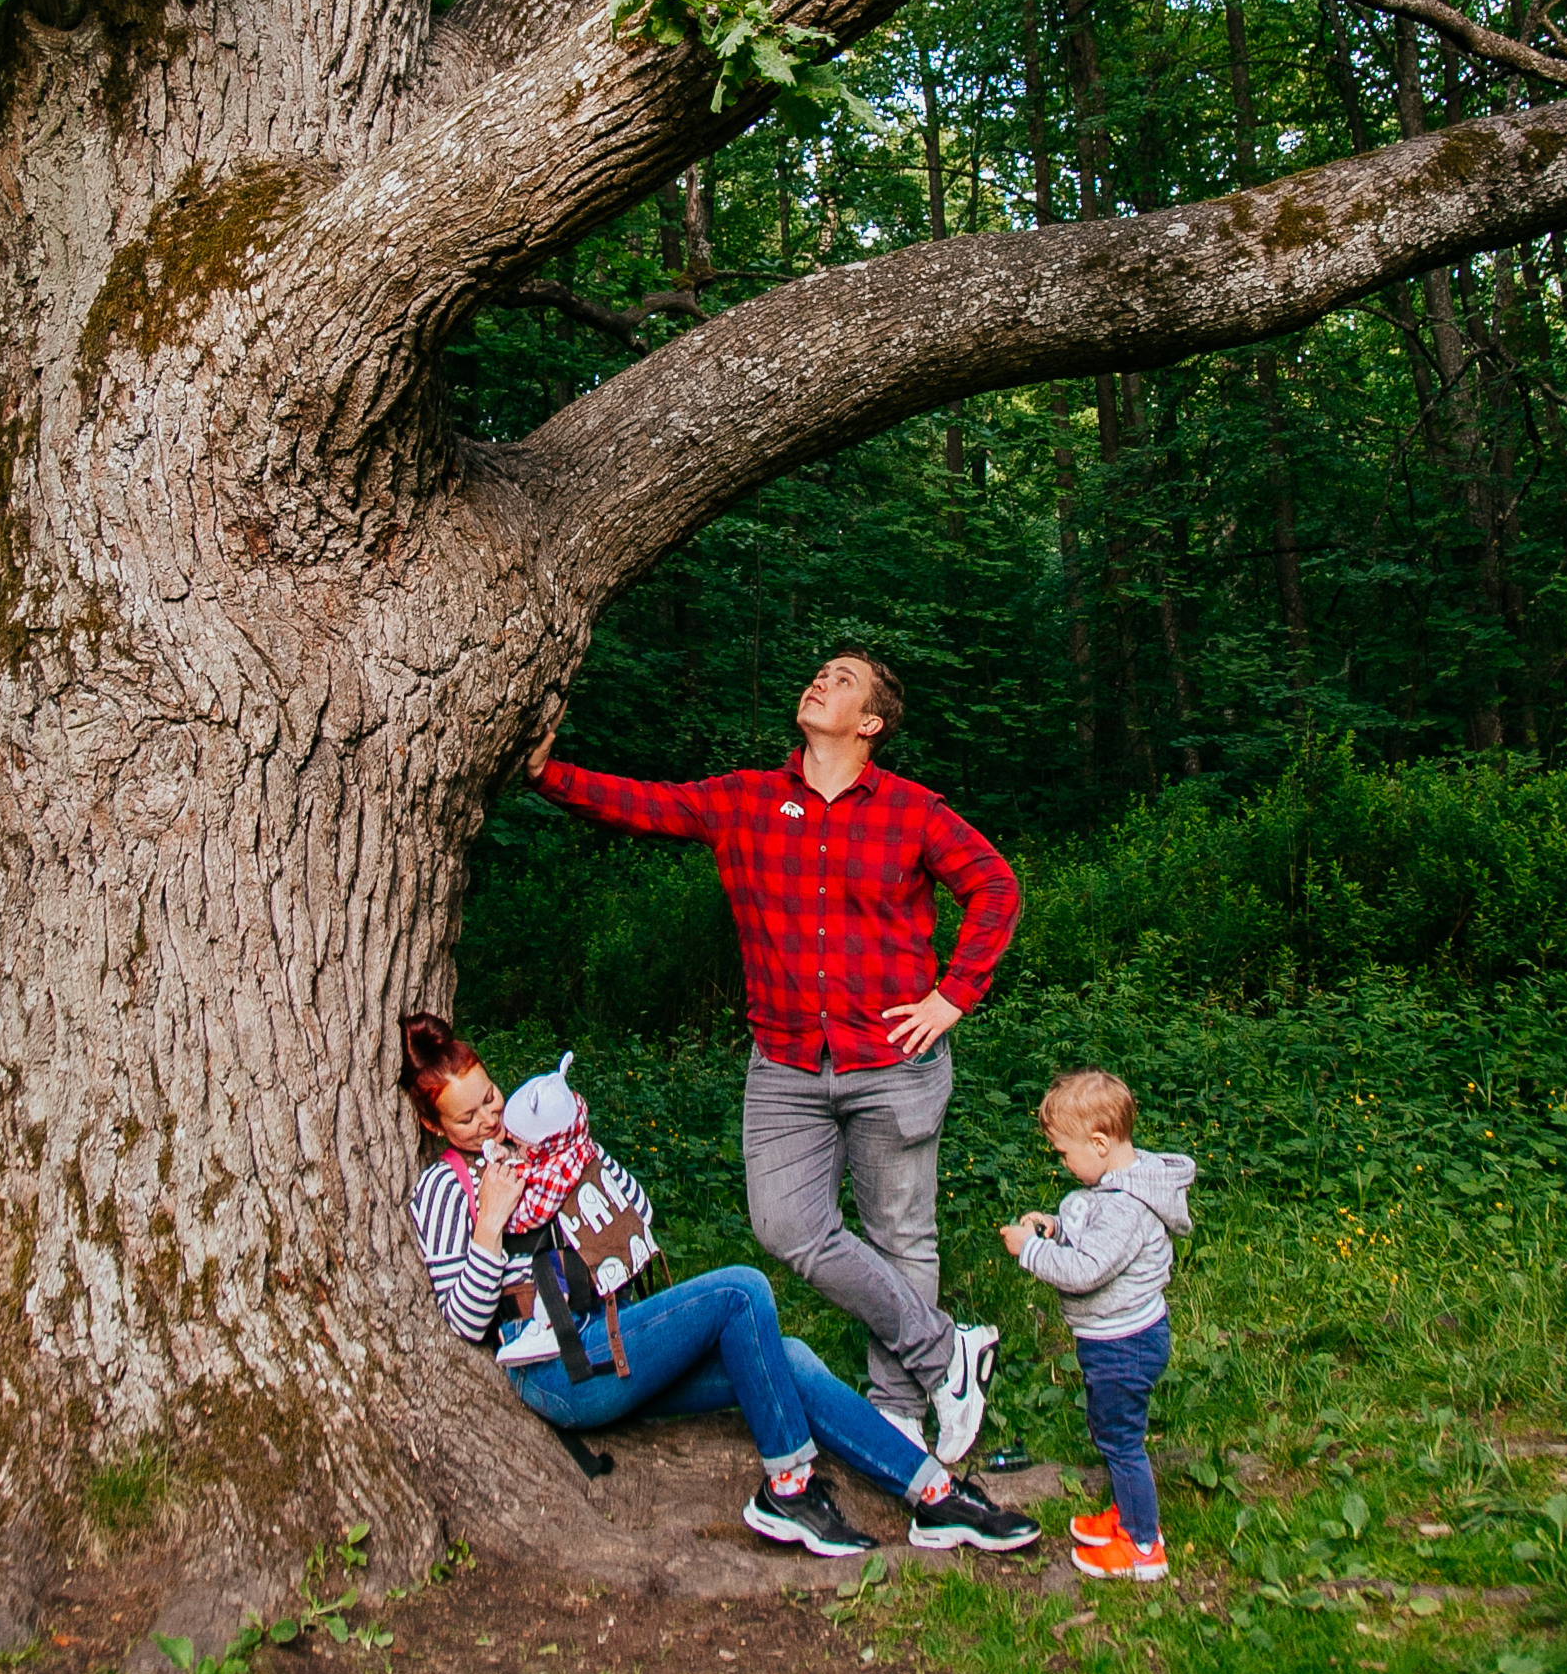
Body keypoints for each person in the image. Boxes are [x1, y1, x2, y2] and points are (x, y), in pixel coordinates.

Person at [526, 650, 1019, 1463]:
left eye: (845, 678)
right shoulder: (749, 799)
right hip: (786, 1064)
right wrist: (547, 775)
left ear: (872, 724)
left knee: (901, 1234)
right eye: (820, 670)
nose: (821, 679)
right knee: (787, 1223)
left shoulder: (912, 810)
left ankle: (897, 1411)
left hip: (891, 1057)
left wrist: (952, 995)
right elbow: (644, 805)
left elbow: (994, 887)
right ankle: (946, 1352)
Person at [402, 1013, 1038, 1556]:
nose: (489, 1121)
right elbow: (463, 1321)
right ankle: (788, 1488)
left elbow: (640, 1222)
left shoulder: (543, 1149)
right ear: (436, 1128)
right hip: (561, 1373)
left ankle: (934, 1494)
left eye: (491, 1099)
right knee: (741, 1291)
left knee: (788, 1356)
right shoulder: (442, 1190)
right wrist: (489, 1222)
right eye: (467, 1119)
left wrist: (579, 1170)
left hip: (623, 1345)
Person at [1002, 1067, 1194, 1583]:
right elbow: (1098, 1242)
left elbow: (1088, 1270)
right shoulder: (1119, 1191)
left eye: (1065, 1154)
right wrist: (1057, 1227)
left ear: (1100, 1143)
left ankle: (1142, 1545)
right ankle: (1129, 1514)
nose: (1063, 1163)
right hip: (1118, 1340)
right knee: (1111, 1431)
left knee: (1121, 1441)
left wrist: (1032, 1251)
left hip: (1124, 1344)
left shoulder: (1126, 1207)